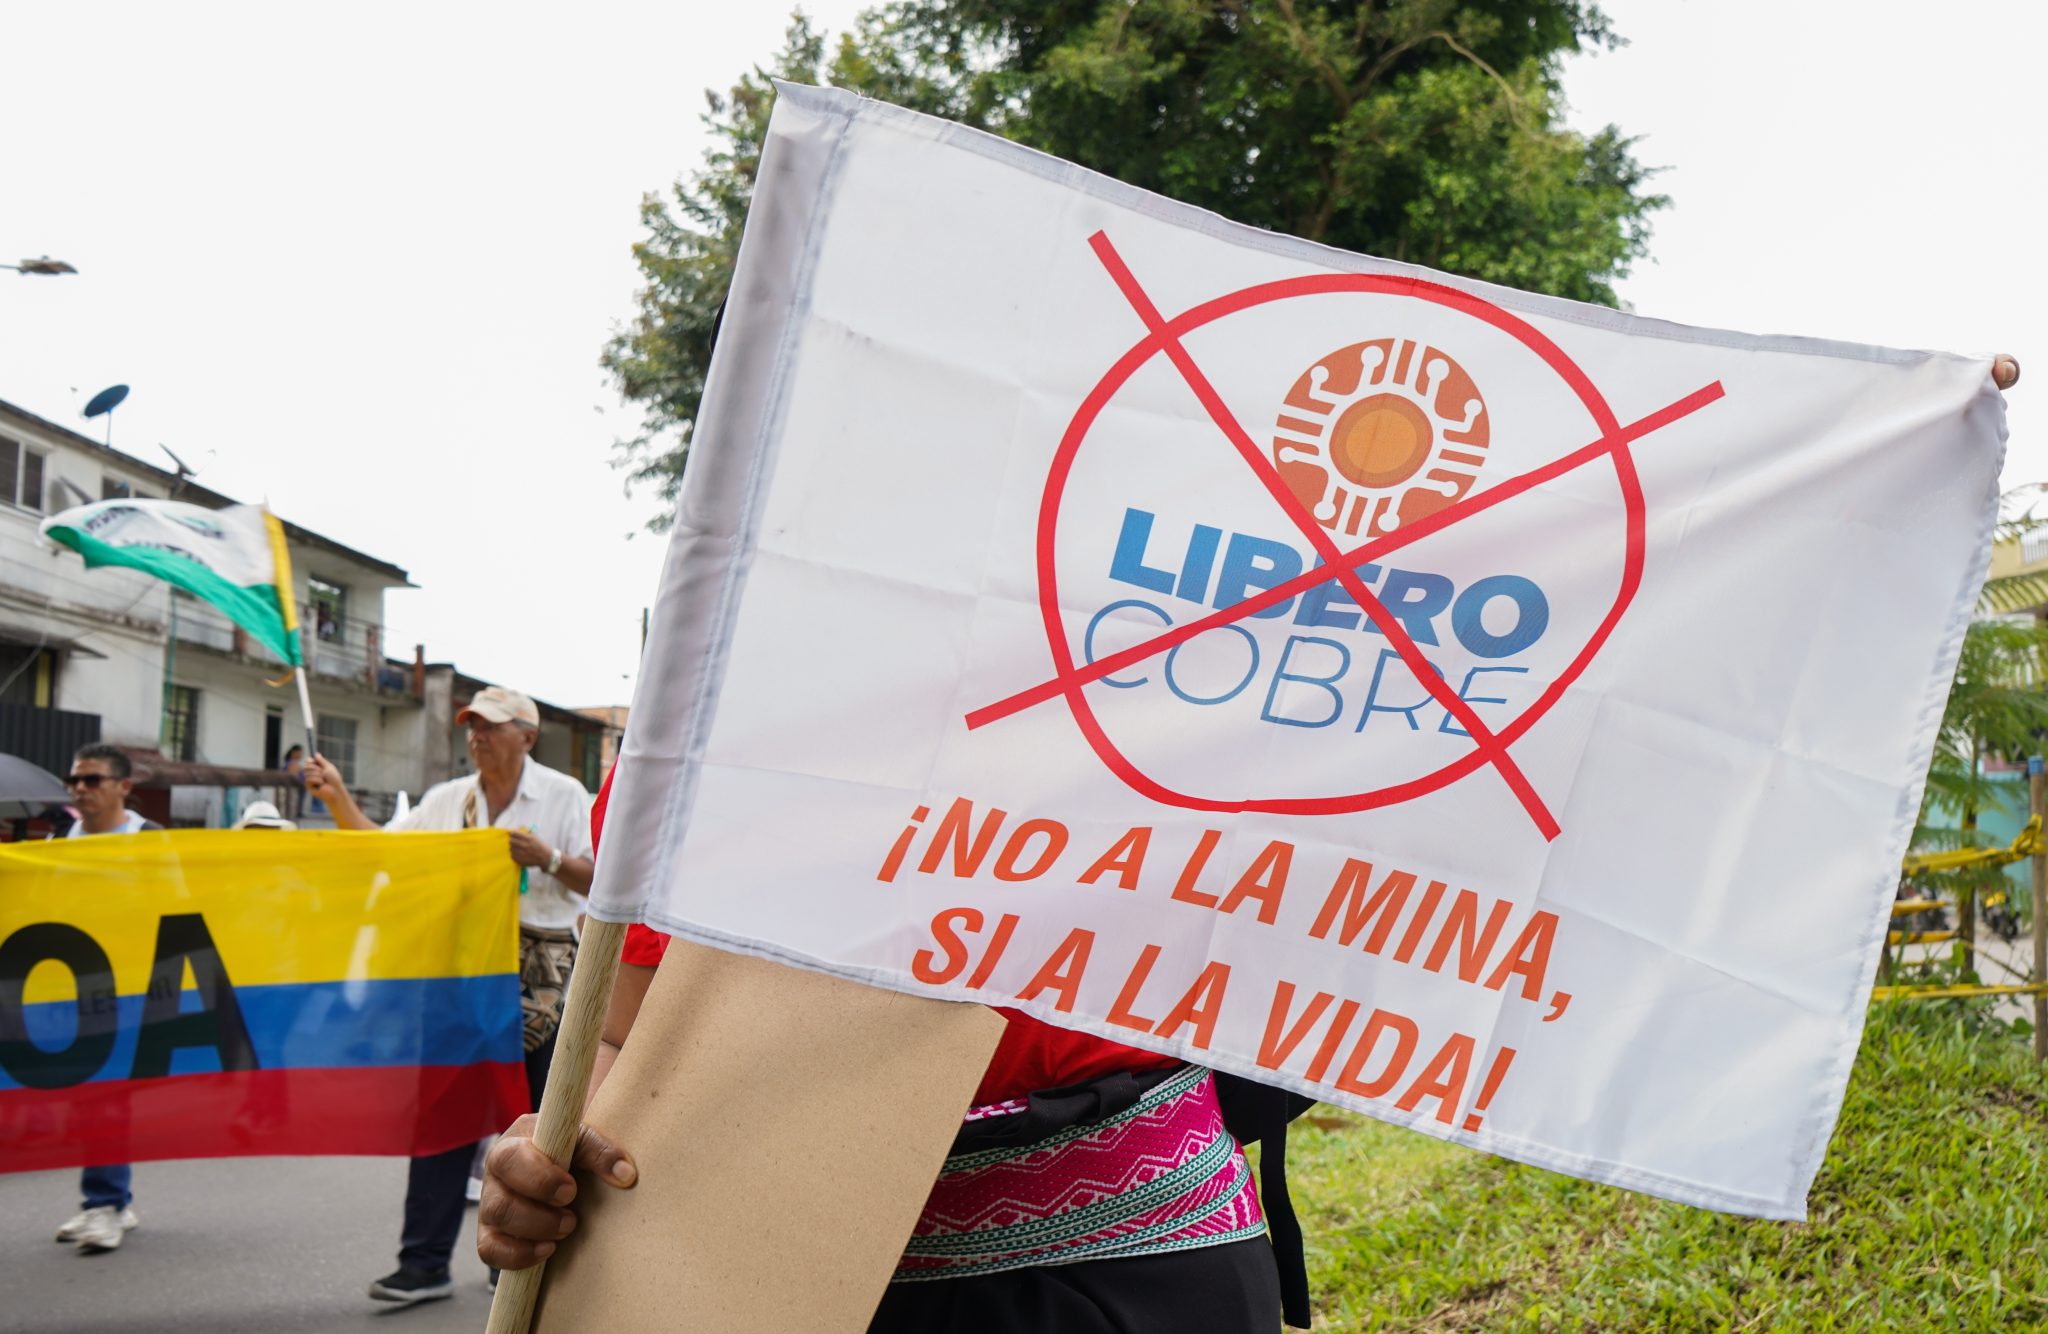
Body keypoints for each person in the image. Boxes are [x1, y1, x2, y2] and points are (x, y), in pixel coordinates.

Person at [474, 770, 1305, 1332]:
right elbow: (624, 1035)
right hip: (754, 1283)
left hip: (1139, 1266)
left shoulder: (1167, 664)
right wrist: (555, 1151)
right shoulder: (698, 705)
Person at [305, 686, 595, 1307]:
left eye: (490, 726)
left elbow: (602, 880)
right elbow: (389, 853)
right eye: (471, 726)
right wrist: (337, 799)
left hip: (537, 983)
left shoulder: (565, 796)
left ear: (527, 735)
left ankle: (521, 1265)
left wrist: (547, 859)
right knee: (442, 1120)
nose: (477, 737)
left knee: (535, 1127)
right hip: (460, 979)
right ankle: (423, 1264)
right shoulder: (448, 801)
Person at [50, 743, 163, 1256]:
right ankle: (111, 1202)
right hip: (73, 984)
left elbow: (181, 903)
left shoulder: (149, 841)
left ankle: (105, 1202)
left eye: (92, 780)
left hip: (133, 987)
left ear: (123, 787)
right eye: (75, 780)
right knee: (83, 1095)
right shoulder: (59, 842)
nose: (80, 789)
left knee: (107, 1095)